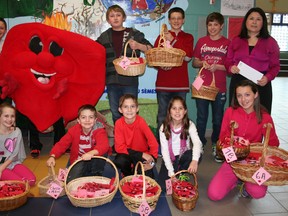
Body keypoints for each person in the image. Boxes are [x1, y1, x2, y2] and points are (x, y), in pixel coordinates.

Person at [207, 80, 279, 201]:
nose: (243, 100)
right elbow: (222, 139)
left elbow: (274, 146)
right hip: (233, 161)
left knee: (258, 192)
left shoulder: (265, 117)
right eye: (239, 95)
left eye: (247, 94)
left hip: (253, 163)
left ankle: (245, 185)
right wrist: (231, 158)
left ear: (255, 95)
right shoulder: (230, 112)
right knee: (214, 194)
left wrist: (269, 132)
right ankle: (236, 180)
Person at [96, 5, 152, 124]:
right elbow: (93, 52)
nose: (115, 18)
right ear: (108, 20)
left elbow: (150, 49)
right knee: (116, 113)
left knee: (131, 114)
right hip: (112, 81)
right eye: (112, 16)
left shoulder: (134, 34)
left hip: (129, 81)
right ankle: (119, 141)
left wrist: (138, 46)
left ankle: (132, 141)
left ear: (124, 18)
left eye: (118, 15)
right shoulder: (103, 37)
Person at [225, 7, 280, 114]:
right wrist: (231, 67)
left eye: (258, 19)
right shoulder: (236, 40)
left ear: (263, 22)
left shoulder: (271, 42)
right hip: (239, 83)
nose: (254, 22)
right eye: (251, 18)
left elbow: (276, 66)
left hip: (261, 84)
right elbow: (228, 61)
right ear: (246, 21)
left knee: (260, 117)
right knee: (237, 116)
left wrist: (267, 78)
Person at [192, 12, 230, 162]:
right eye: (210, 24)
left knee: (218, 119)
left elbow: (230, 66)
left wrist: (218, 67)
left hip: (219, 87)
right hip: (201, 87)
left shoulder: (228, 43)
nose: (212, 27)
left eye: (215, 24)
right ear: (207, 26)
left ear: (221, 26)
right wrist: (202, 63)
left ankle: (216, 144)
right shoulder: (201, 41)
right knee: (201, 119)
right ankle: (199, 144)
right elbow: (194, 62)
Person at [155, 7, 194, 153]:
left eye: (179, 18)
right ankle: (161, 146)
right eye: (173, 18)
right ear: (169, 20)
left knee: (180, 117)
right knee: (162, 116)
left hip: (180, 85)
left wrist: (174, 40)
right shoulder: (161, 36)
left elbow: (188, 57)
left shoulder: (187, 37)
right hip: (163, 84)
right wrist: (161, 65)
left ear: (183, 20)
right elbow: (156, 56)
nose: (176, 21)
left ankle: (180, 145)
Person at [46, 104, 110, 178]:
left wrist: (91, 153)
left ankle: (96, 174)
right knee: (71, 179)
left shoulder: (99, 131)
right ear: (78, 120)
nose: (87, 120)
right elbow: (62, 144)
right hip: (79, 160)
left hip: (94, 160)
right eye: (83, 117)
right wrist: (52, 156)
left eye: (91, 117)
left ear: (95, 120)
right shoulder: (74, 130)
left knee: (102, 154)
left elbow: (104, 146)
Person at [158, 96, 203, 186]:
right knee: (162, 186)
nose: (177, 111)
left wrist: (194, 161)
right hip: (170, 158)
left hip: (183, 156)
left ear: (185, 111)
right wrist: (171, 173)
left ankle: (181, 171)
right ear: (169, 111)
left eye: (180, 108)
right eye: (174, 108)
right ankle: (176, 171)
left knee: (196, 155)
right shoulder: (163, 127)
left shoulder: (190, 124)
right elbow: (165, 152)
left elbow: (198, 143)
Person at [113, 94, 158, 178]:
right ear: (120, 110)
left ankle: (137, 170)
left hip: (143, 154)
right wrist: (141, 154)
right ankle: (128, 174)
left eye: (132, 106)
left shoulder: (141, 122)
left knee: (148, 179)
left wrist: (152, 162)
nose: (129, 110)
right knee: (120, 161)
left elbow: (153, 143)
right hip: (128, 154)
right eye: (125, 107)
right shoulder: (118, 123)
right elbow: (119, 148)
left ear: (137, 109)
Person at [0, 103, 36, 186]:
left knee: (31, 180)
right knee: (21, 184)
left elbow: (14, 154)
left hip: (12, 163)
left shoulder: (17, 131)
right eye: (6, 116)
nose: (9, 119)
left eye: (12, 116)